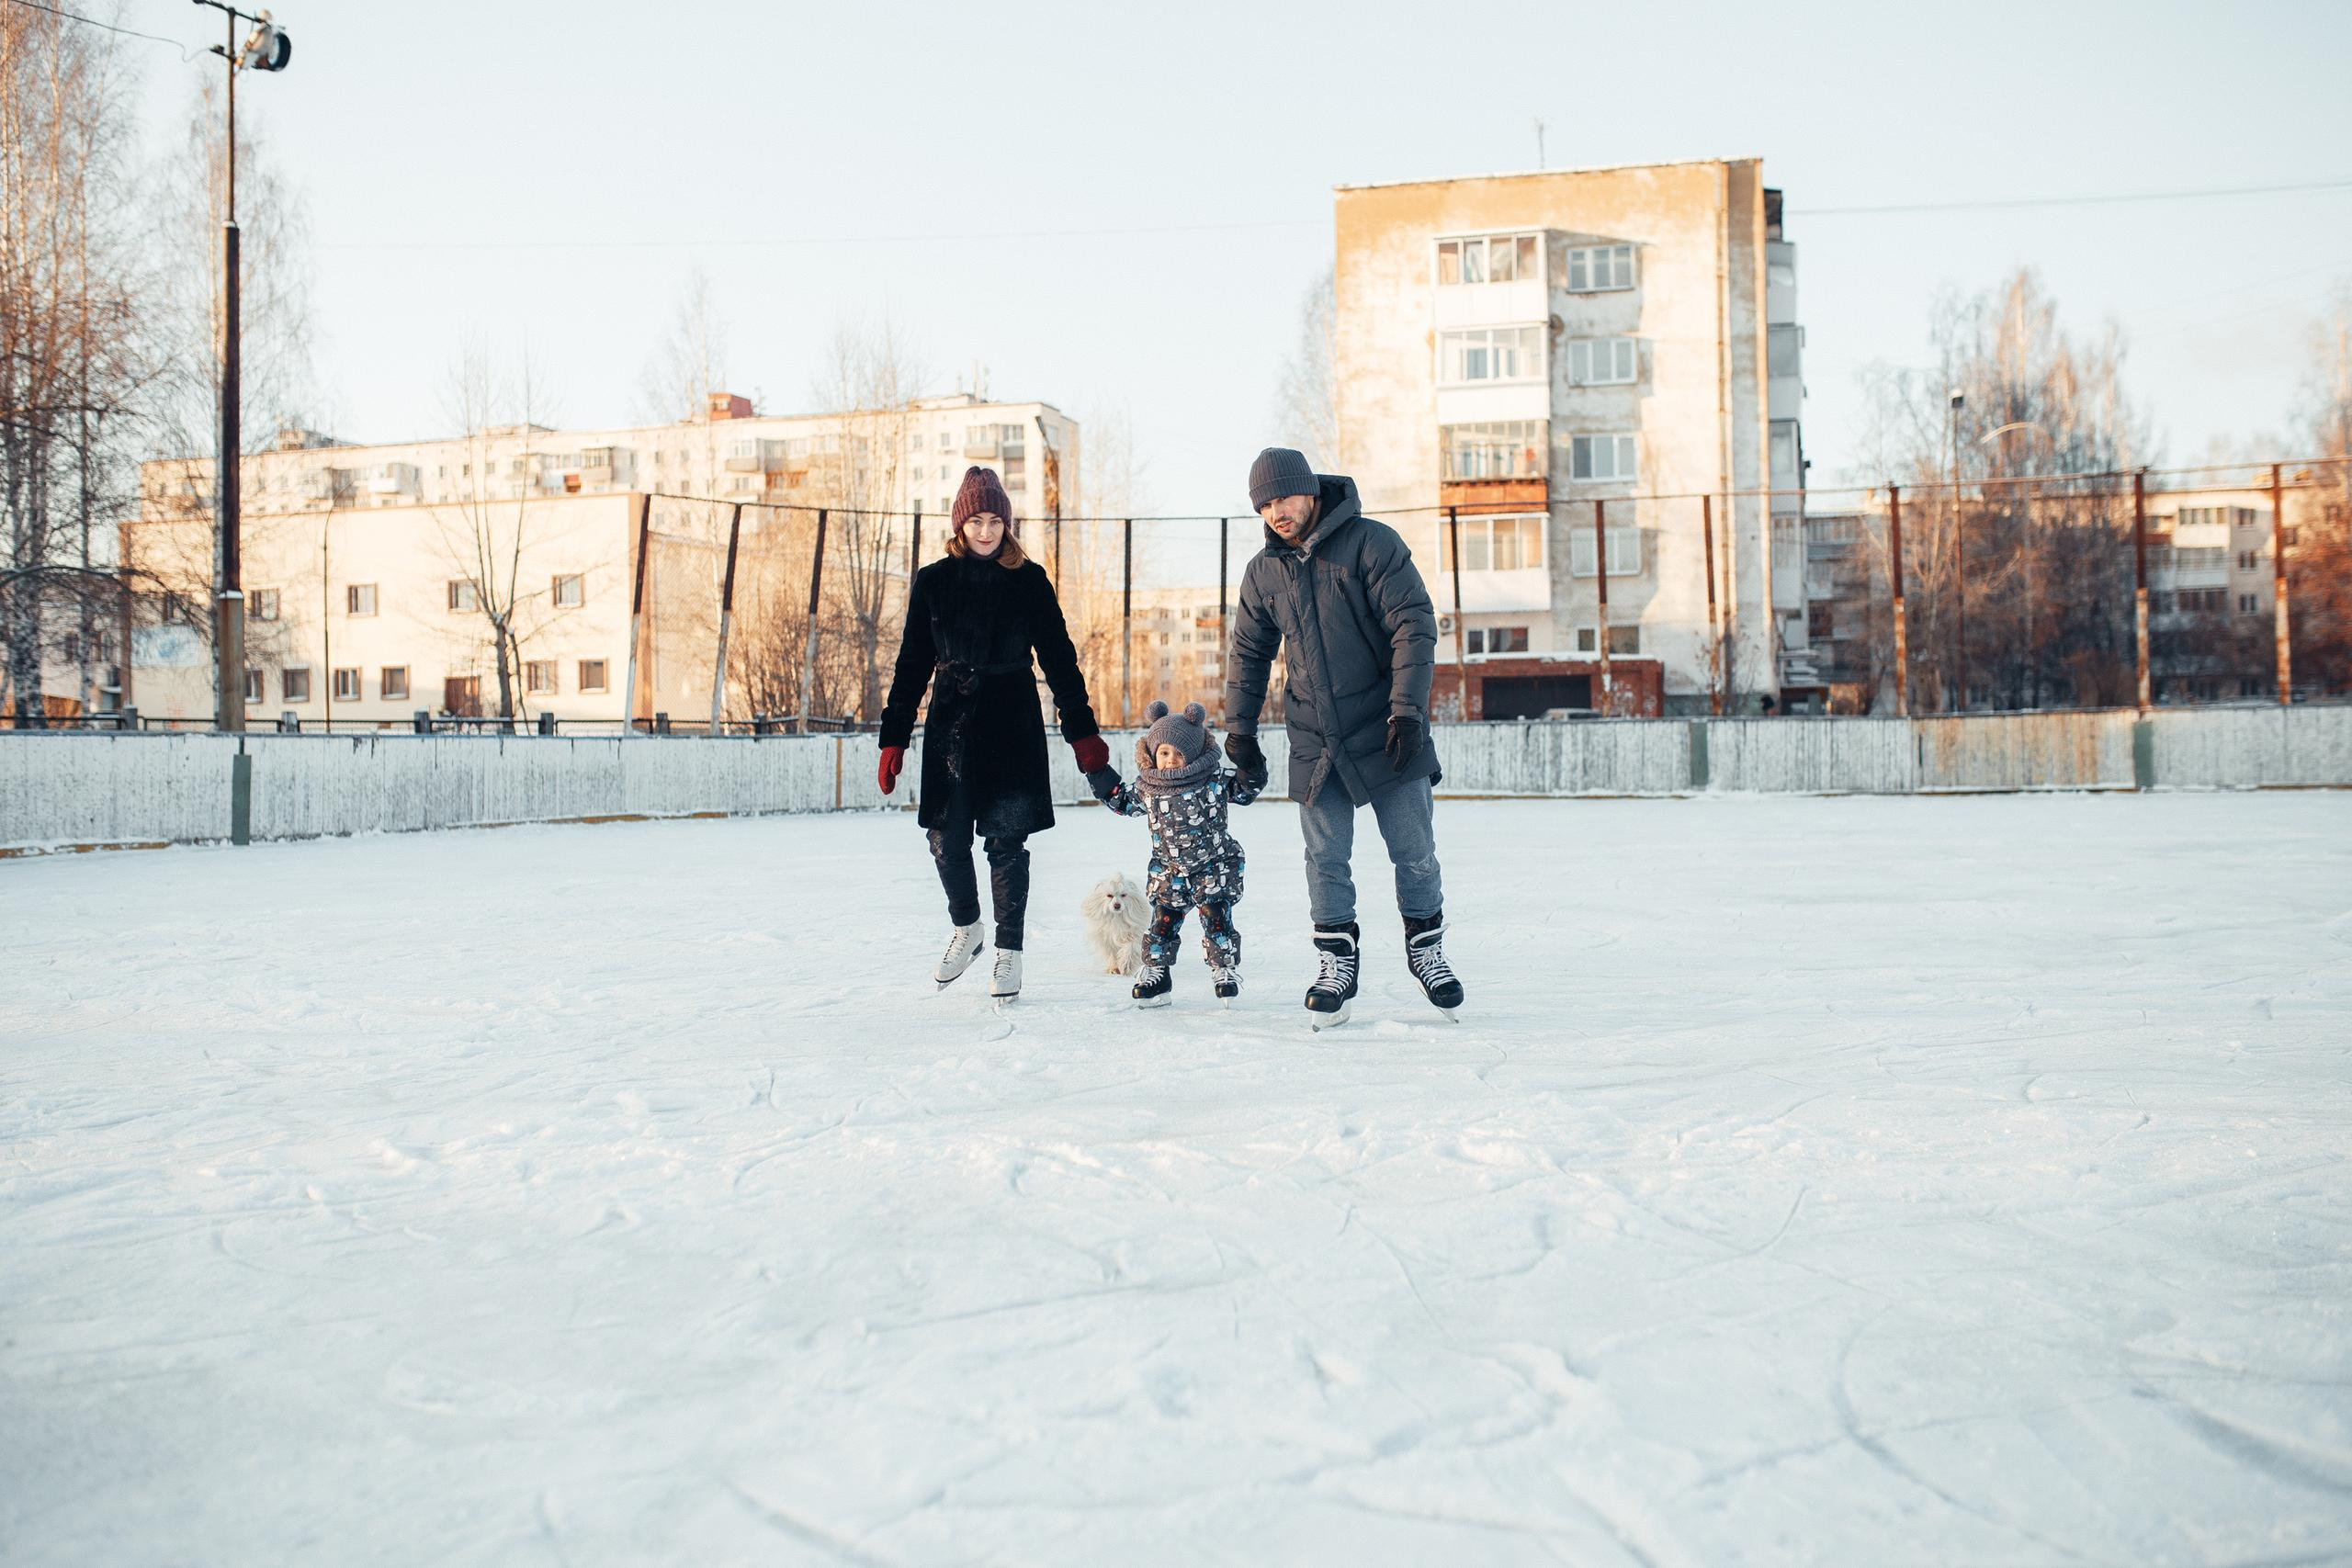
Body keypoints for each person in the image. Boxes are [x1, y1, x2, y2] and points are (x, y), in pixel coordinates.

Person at [1222, 446, 1464, 1029]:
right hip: (1314, 736)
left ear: (1311, 491)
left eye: (1283, 497)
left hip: (1386, 728)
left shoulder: (1371, 544)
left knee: (1414, 851)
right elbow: (1249, 656)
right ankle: (1336, 961)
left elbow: (1413, 626)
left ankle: (1426, 946)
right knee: (1324, 857)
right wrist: (1240, 732)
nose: (1276, 511)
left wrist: (1407, 713)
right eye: (1264, 504)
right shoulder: (1263, 573)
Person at [877, 467, 1111, 1003]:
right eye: (976, 521)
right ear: (960, 525)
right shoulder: (934, 581)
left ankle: (1010, 950)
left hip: (1011, 721)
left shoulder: (1029, 580)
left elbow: (1059, 660)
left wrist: (1082, 732)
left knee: (1006, 843)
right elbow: (911, 664)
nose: (986, 532)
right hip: (951, 726)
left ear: (1008, 525)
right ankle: (968, 926)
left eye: (995, 521)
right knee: (945, 838)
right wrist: (895, 737)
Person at [1086, 699, 1263, 1009]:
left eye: (1180, 753)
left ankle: (1224, 970)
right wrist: (1097, 772)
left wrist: (1251, 763)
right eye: (1164, 753)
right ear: (1154, 754)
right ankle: (1157, 973)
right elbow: (1122, 802)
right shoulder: (1148, 787)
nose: (1171, 760)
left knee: (1216, 919)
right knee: (1162, 924)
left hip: (1213, 866)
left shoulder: (1213, 781)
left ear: (1194, 753)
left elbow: (1245, 790)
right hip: (1170, 872)